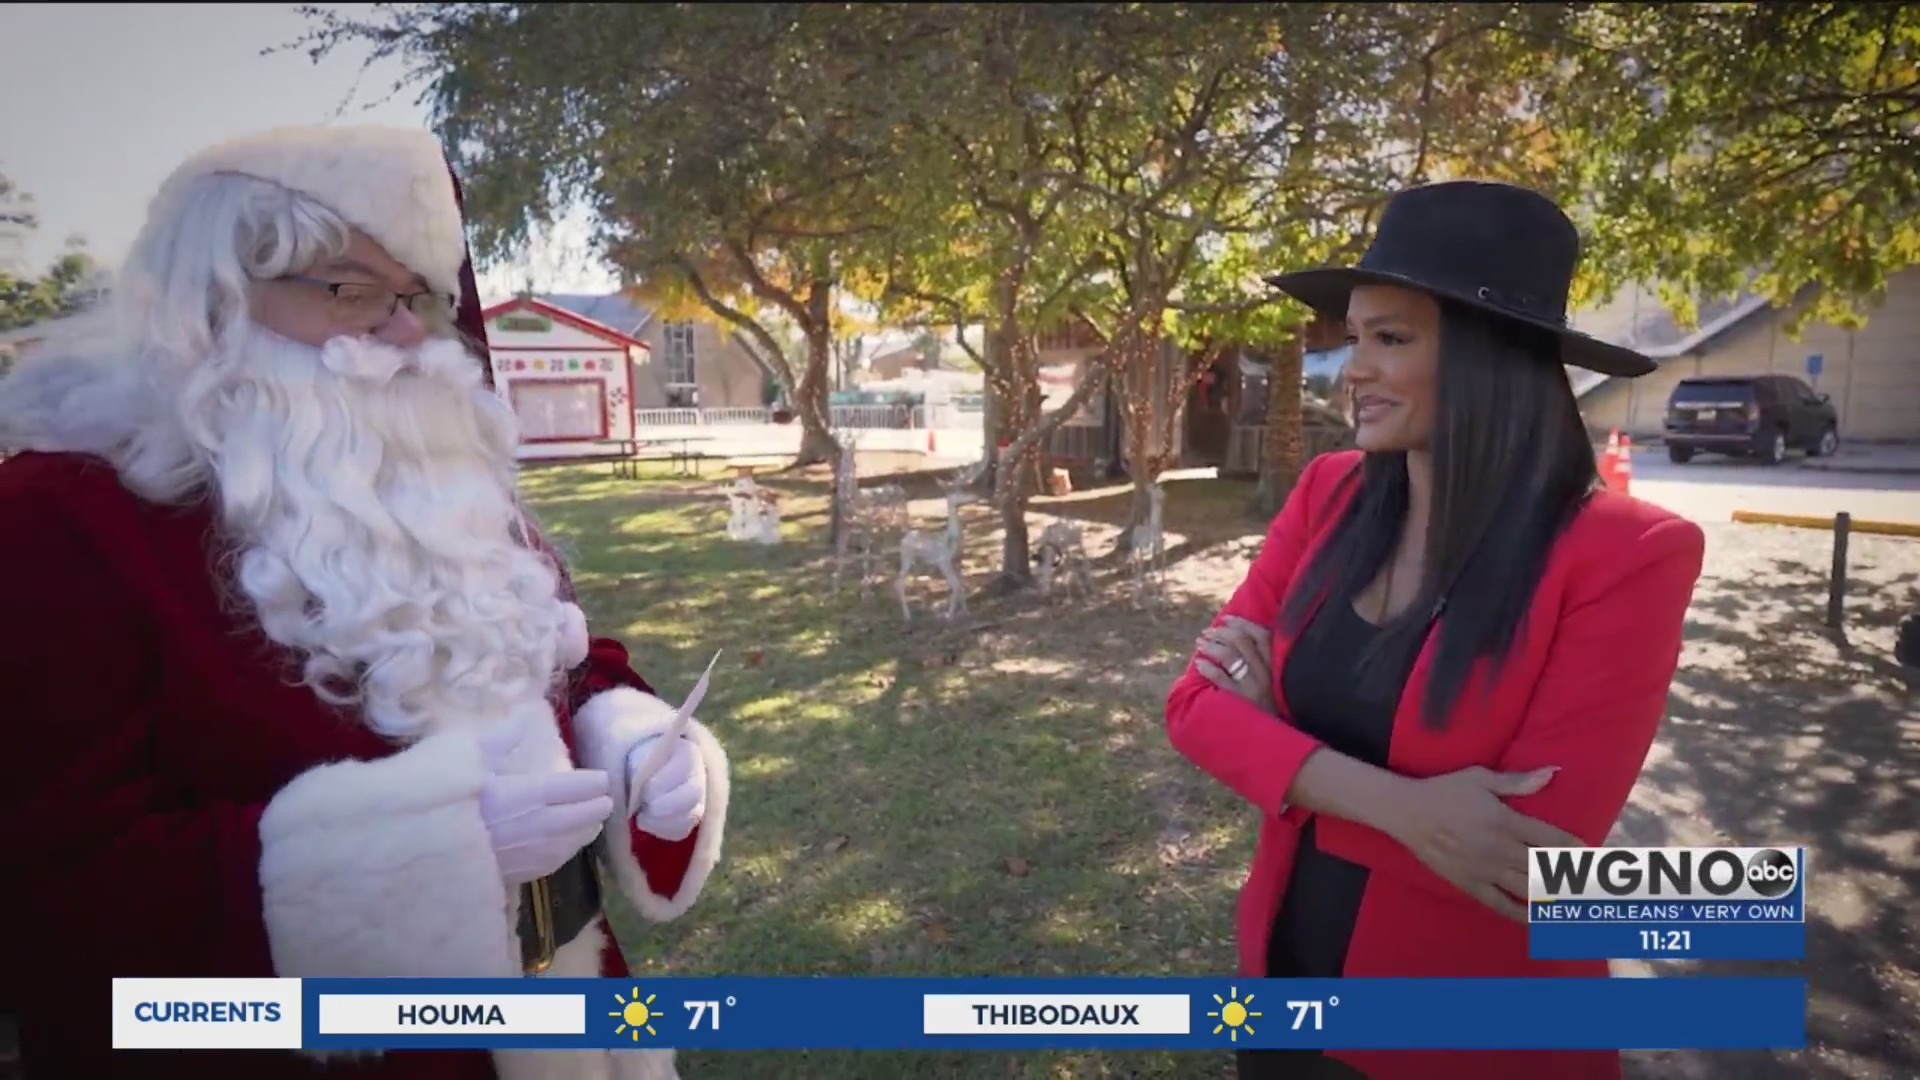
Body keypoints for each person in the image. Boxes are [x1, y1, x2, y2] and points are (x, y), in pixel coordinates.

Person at [0, 125, 732, 1080]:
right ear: (211, 301)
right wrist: (420, 858)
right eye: (350, 289)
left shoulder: (446, 480)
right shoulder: (61, 519)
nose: (401, 333)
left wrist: (629, 738)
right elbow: (52, 892)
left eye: (418, 297)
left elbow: (554, 665)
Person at [1165, 181, 1706, 1080]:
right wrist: (1412, 808)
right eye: (1353, 340)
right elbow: (1193, 706)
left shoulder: (1628, 554)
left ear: (1492, 355)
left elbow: (1532, 857)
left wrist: (1280, 746)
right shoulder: (1328, 494)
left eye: (1391, 338)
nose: (1355, 371)